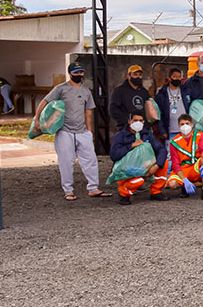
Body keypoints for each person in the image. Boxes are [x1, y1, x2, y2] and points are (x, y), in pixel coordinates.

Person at [34, 61, 111, 201]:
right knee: (66, 161)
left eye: (80, 72)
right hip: (64, 131)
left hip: (82, 131)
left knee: (91, 160)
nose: (78, 75)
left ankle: (93, 188)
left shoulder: (86, 90)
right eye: (75, 72)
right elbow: (44, 101)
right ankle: (68, 190)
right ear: (70, 73)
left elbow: (88, 112)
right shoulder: (60, 89)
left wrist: (90, 131)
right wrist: (37, 119)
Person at [109, 112, 168, 205]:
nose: (138, 123)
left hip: (144, 167)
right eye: (135, 120)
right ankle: (124, 193)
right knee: (138, 181)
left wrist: (157, 165)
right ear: (129, 121)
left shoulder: (146, 134)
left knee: (164, 162)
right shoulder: (121, 136)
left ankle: (156, 192)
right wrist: (131, 146)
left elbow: (161, 149)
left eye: (140, 121)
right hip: (126, 170)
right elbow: (114, 155)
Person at [165, 113, 203, 200]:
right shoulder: (174, 142)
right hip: (183, 168)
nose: (185, 126)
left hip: (196, 166)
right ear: (178, 126)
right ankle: (184, 187)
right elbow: (175, 164)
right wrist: (184, 180)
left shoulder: (199, 135)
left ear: (192, 125)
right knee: (172, 184)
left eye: (187, 123)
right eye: (182, 124)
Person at [108, 65, 151, 129]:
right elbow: (113, 109)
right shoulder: (119, 91)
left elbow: (149, 108)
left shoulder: (144, 92)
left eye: (140, 75)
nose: (138, 77)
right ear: (128, 76)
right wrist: (126, 122)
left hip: (143, 129)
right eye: (135, 74)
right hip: (126, 128)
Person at [154, 66, 186, 141]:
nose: (177, 79)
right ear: (169, 78)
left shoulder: (186, 90)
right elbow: (159, 114)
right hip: (170, 132)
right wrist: (162, 131)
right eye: (174, 77)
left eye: (179, 77)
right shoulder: (162, 94)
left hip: (185, 130)